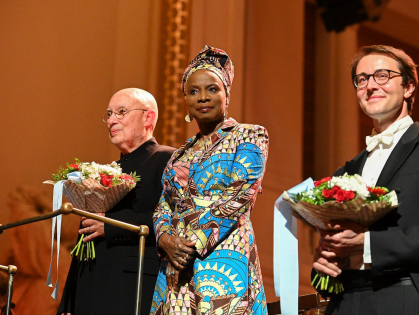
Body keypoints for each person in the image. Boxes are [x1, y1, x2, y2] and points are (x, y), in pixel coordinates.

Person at [312, 45, 419, 315]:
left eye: (382, 75)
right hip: (344, 303)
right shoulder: (343, 174)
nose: (370, 86)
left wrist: (367, 242)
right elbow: (330, 268)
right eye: (361, 80)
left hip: (405, 296)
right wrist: (324, 265)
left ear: (408, 87)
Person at [149, 46, 269, 315]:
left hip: (222, 256)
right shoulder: (178, 154)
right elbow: (163, 206)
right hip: (176, 267)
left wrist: (188, 245)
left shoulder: (249, 136)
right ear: (186, 102)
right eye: (193, 91)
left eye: (212, 89)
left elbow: (239, 198)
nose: (203, 97)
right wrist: (165, 238)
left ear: (227, 94)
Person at [58, 88, 175, 315]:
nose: (111, 120)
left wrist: (110, 225)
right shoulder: (105, 171)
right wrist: (68, 302)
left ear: (148, 117)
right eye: (109, 114)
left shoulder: (168, 159)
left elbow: (173, 221)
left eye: (121, 112)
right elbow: (85, 234)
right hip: (88, 289)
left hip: (130, 286)